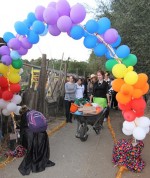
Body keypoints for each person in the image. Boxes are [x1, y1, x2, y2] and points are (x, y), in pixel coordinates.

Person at [18, 105, 55, 176]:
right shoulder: (34, 112)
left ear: (22, 112)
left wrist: (22, 140)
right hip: (43, 131)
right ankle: (41, 160)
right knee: (40, 146)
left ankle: (35, 163)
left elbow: (23, 128)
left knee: (33, 146)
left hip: (33, 131)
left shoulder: (24, 115)